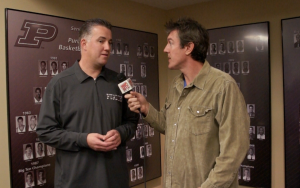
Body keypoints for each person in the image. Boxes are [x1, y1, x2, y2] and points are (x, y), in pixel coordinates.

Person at [125, 17, 250, 188]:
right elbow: (170, 126)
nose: (165, 49)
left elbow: (234, 151)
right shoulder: (175, 86)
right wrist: (146, 107)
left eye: (170, 43)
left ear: (189, 47)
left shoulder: (223, 86)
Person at [37, 18, 139, 188]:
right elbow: (45, 131)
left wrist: (120, 134)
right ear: (84, 44)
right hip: (74, 181)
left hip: (114, 180)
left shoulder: (121, 82)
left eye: (110, 42)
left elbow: (132, 122)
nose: (108, 47)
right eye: (101, 41)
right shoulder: (59, 83)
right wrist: (83, 139)